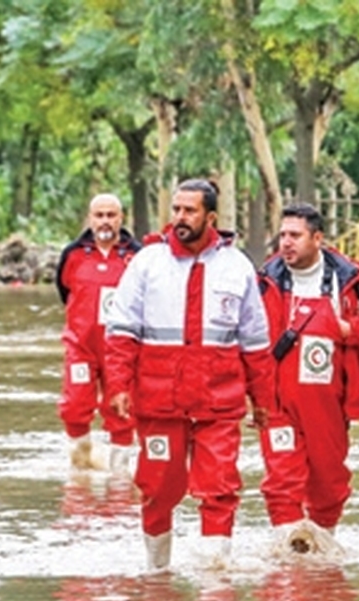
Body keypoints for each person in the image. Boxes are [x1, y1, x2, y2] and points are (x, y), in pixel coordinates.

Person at [104, 179, 274, 572]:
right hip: (159, 400)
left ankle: (216, 585)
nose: (179, 217)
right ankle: (157, 573)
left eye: (189, 211)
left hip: (219, 403)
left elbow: (255, 344)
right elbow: (121, 332)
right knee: (158, 487)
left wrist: (264, 401)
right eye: (176, 209)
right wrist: (117, 386)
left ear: (211, 216)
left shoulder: (237, 267)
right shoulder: (147, 263)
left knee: (219, 488)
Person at [256, 202, 359, 552]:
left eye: (295, 235)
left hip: (328, 402)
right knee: (281, 479)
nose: (286, 242)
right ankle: (288, 563)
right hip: (276, 401)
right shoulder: (264, 281)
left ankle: (321, 553)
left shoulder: (350, 280)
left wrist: (349, 328)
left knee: (329, 480)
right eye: (283, 235)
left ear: (317, 238)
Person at [55, 193, 141, 473]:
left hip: (121, 349)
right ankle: (80, 467)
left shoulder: (136, 256)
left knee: (123, 408)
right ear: (90, 218)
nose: (105, 221)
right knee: (75, 404)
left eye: (111, 215)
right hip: (82, 345)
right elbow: (65, 290)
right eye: (99, 215)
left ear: (121, 218)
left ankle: (120, 476)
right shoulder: (74, 255)